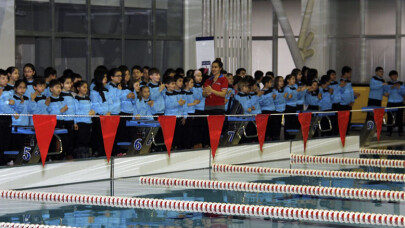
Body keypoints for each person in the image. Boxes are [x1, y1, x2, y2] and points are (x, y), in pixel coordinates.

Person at [90, 68, 111, 157]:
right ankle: (98, 152)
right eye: (104, 77)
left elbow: (109, 103)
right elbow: (95, 105)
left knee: (106, 137)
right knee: (98, 137)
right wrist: (104, 112)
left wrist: (109, 111)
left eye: (106, 77)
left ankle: (105, 153)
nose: (106, 79)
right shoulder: (94, 91)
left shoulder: (106, 90)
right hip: (98, 117)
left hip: (107, 116)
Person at [0, 70, 18, 165]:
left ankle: (4, 160)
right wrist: (12, 110)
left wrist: (13, 104)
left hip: (7, 119)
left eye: (6, 78)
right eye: (3, 78)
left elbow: (13, 103)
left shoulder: (9, 91)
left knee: (5, 141)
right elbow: (2, 105)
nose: (6, 80)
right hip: (1, 118)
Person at [73, 81, 94, 158]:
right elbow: (74, 111)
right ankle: (80, 156)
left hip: (88, 122)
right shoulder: (76, 99)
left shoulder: (88, 98)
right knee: (80, 141)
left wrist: (93, 112)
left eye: (86, 87)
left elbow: (92, 108)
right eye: (83, 87)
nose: (86, 89)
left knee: (87, 141)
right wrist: (75, 122)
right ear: (78, 88)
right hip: (80, 122)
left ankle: (87, 155)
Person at [384, 70, 405, 136]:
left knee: (400, 117)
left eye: (396, 75)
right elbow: (385, 93)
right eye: (393, 75)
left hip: (399, 102)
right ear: (390, 77)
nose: (395, 76)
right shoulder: (388, 84)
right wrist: (391, 88)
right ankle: (389, 131)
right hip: (391, 102)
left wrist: (399, 88)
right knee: (390, 117)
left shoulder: (401, 83)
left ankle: (400, 132)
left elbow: (403, 93)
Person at [60, 76, 76, 158]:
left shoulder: (71, 94)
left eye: (70, 83)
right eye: (67, 83)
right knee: (64, 139)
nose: (69, 85)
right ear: (62, 84)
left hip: (71, 119)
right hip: (65, 120)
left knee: (71, 138)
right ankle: (63, 154)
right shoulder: (60, 95)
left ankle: (69, 154)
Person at [260, 76, 276, 141]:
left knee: (272, 126)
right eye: (270, 82)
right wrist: (269, 96)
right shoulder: (261, 92)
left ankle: (272, 137)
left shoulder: (271, 91)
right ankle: (266, 137)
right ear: (266, 83)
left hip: (272, 109)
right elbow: (261, 102)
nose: (271, 84)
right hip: (265, 110)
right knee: (266, 126)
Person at [284, 74, 299, 139]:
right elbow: (284, 98)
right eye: (292, 79)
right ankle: (287, 137)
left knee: (294, 122)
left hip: (295, 106)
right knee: (288, 122)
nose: (294, 80)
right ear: (288, 80)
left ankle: (293, 136)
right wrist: (288, 97)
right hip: (288, 106)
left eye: (294, 79)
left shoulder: (295, 87)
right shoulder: (286, 88)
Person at [273, 76, 287, 140]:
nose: (282, 82)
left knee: (283, 125)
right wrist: (282, 97)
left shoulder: (283, 90)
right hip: (276, 110)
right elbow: (274, 101)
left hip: (283, 109)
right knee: (276, 126)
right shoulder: (274, 91)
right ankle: (276, 138)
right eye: (280, 81)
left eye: (282, 81)